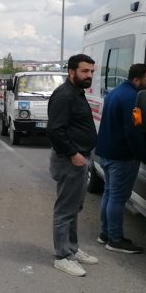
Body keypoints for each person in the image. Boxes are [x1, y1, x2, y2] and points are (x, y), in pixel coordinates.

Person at [47, 54, 99, 277]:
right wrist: (73, 153)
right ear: (71, 72)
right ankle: (62, 257)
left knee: (74, 208)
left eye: (91, 72)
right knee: (65, 210)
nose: (89, 76)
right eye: (85, 71)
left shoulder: (77, 93)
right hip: (70, 160)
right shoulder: (64, 96)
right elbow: (54, 130)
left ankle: (72, 249)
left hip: (80, 158)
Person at [96, 63, 146, 254]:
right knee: (118, 198)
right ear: (136, 80)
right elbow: (133, 131)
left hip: (106, 152)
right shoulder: (132, 98)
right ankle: (115, 239)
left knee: (109, 193)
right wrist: (141, 154)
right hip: (121, 157)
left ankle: (105, 233)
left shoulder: (116, 92)